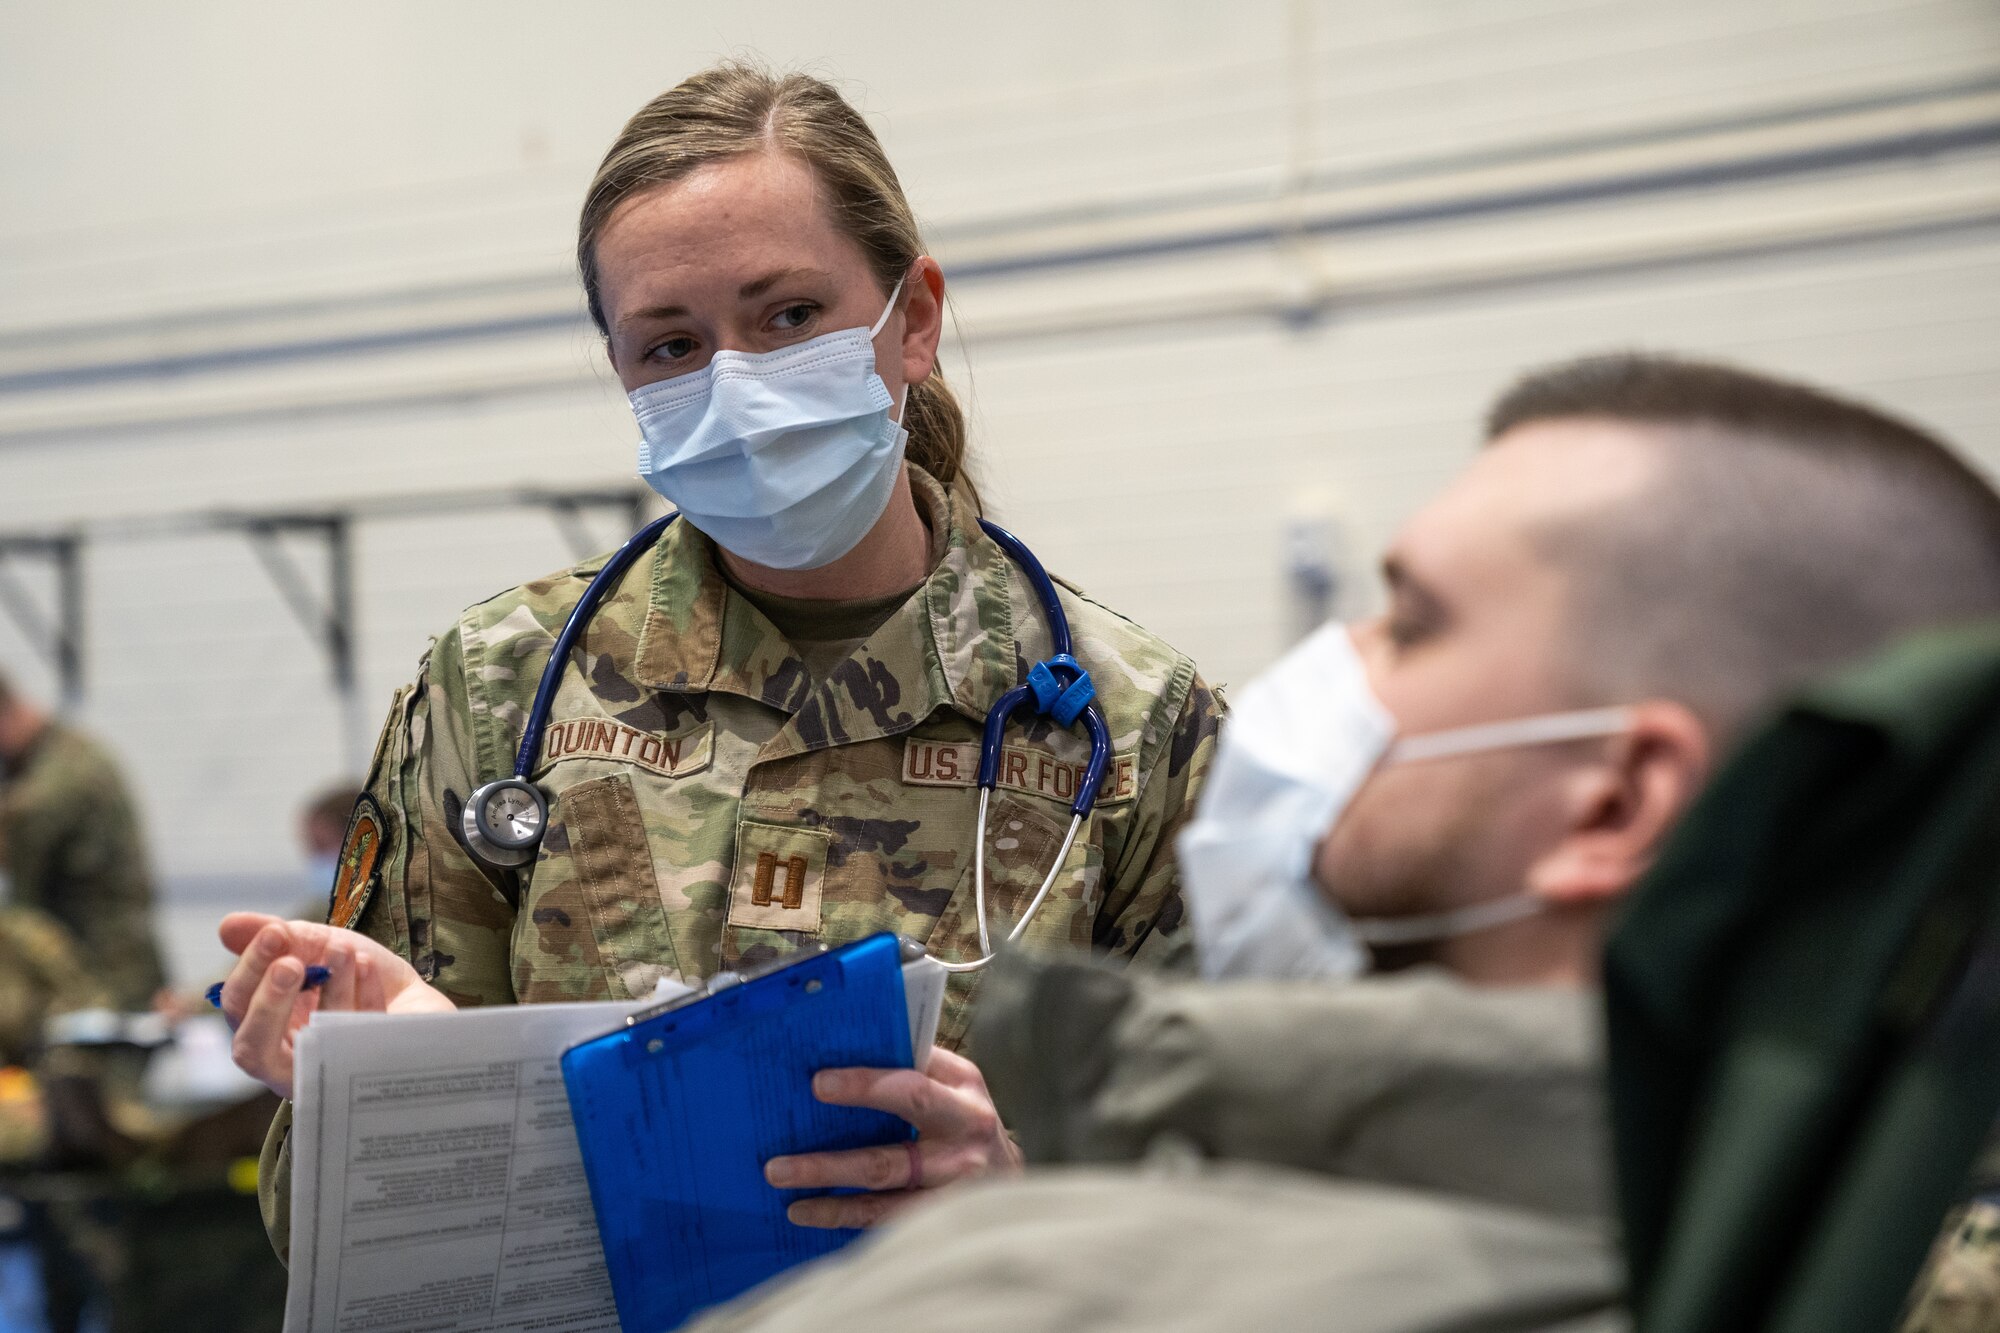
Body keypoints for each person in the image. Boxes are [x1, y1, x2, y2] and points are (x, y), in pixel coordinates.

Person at [678, 353, 2000, 1333]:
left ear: (1615, 803)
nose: (1335, 669)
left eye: (1411, 623)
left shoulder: (1031, 1296)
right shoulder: (1842, 1252)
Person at [219, 62, 1222, 1257]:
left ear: (913, 319)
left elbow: (1243, 1195)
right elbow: (325, 1227)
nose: (735, 384)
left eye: (789, 316)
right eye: (671, 345)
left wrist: (1016, 1188)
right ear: (622, 374)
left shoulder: (1129, 726)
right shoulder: (496, 694)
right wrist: (377, 1094)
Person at [0, 672, 165, 1013]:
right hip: (105, 974)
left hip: (98, 984)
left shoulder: (52, 786)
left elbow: (22, 915)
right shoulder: (68, 755)